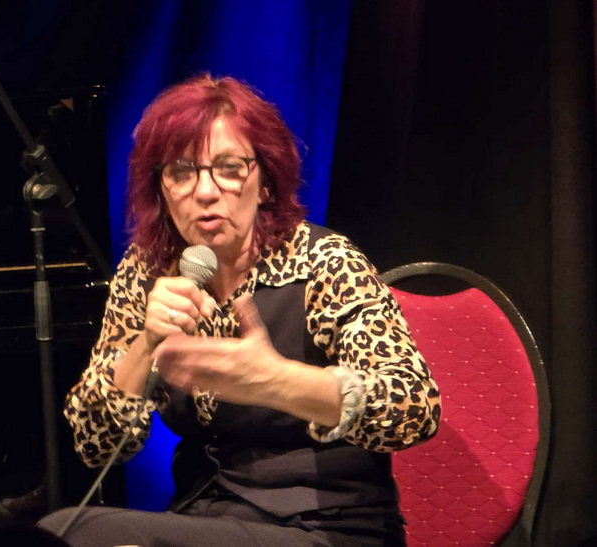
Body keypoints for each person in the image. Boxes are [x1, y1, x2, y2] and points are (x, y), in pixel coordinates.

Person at [38, 74, 441, 546]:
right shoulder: (147, 272)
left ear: (264, 183)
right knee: (64, 531)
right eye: (182, 172)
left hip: (327, 527)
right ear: (161, 189)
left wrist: (277, 381)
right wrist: (145, 344)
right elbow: (96, 444)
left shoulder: (323, 262)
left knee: (82, 534)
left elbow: (414, 407)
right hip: (207, 517)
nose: (205, 191)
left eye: (229, 168)